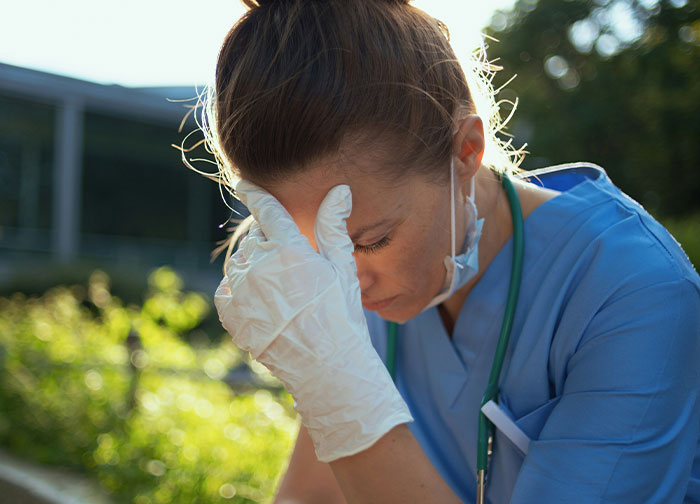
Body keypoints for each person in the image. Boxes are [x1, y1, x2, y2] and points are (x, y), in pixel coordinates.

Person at [200, 0, 700, 502]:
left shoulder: (639, 291)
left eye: (370, 241)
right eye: (314, 252)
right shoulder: (358, 286)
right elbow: (307, 498)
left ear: (466, 150)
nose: (345, 281)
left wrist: (343, 402)